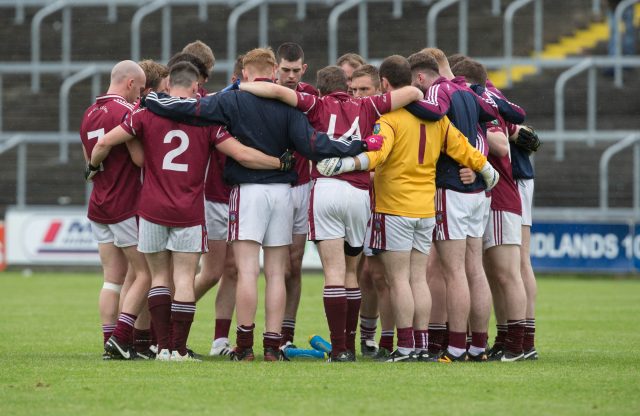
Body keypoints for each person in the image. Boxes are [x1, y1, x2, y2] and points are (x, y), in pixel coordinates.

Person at [143, 48, 378, 361]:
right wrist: (358, 144)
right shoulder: (288, 104)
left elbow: (191, 109)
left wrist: (152, 100)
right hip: (282, 192)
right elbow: (314, 144)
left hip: (249, 190)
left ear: (245, 74)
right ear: (274, 72)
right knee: (277, 273)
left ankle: (243, 345)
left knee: (247, 271)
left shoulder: (234, 98)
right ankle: (272, 344)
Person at [89, 61, 288, 361]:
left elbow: (104, 141)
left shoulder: (146, 114)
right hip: (188, 211)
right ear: (196, 87)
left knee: (158, 279)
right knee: (184, 278)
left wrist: (92, 167)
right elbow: (242, 154)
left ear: (168, 86)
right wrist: (279, 163)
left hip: (152, 208)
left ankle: (157, 348)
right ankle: (176, 349)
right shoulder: (207, 121)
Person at [315, 55, 499, 362]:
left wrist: (343, 164)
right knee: (417, 279)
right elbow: (464, 148)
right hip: (425, 208)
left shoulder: (388, 120)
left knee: (398, 280)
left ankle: (404, 346)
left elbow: (374, 155)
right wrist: (486, 170)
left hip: (394, 208)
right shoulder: (438, 120)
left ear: (384, 84)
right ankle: (422, 345)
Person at [238, 63, 423, 362]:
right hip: (359, 193)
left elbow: (274, 90)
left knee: (333, 273)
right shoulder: (368, 105)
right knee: (352, 272)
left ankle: (339, 349)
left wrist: (240, 86)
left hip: (326, 188)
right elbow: (413, 91)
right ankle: (349, 345)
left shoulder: (316, 103)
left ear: (322, 88)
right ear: (347, 86)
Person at [79, 60, 151, 360]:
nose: (141, 95)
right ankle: (122, 340)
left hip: (99, 204)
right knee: (145, 274)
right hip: (124, 204)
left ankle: (109, 341)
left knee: (112, 278)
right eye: (141, 88)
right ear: (130, 83)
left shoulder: (89, 114)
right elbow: (138, 160)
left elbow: (90, 166)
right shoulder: (126, 112)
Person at [349, 64, 393, 358]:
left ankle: (384, 340)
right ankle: (353, 338)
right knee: (355, 273)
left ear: (379, 89)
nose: (358, 95)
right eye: (353, 90)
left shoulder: (388, 119)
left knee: (379, 275)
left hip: (384, 202)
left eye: (364, 90)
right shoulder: (345, 115)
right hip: (353, 200)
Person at [275, 42, 317, 346]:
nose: (290, 75)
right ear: (276, 68)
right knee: (249, 267)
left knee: (294, 261)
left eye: (295, 70)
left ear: (303, 69)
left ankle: (285, 335)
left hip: (302, 186)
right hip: (269, 186)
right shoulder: (262, 93)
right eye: (285, 69)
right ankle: (255, 334)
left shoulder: (312, 96)